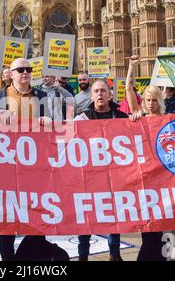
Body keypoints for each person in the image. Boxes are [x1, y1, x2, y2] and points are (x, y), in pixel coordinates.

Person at [0, 58, 51, 261]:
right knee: (6, 220)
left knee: (37, 216)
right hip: (6, 167)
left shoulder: (42, 96)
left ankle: (33, 258)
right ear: (11, 74)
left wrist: (49, 121)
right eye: (20, 69)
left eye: (29, 69)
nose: (25, 72)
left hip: (34, 167)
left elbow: (54, 128)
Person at [74, 78, 128, 261]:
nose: (100, 94)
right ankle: (83, 256)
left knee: (114, 217)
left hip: (114, 178)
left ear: (110, 94)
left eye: (103, 91)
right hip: (89, 179)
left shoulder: (122, 118)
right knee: (86, 219)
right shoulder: (81, 119)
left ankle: (114, 254)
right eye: (96, 91)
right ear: (91, 95)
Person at [126, 55, 167, 261]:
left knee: (160, 226)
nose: (150, 103)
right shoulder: (138, 116)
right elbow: (128, 89)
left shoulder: (167, 120)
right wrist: (132, 66)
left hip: (162, 178)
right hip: (145, 178)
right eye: (147, 100)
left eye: (153, 100)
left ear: (159, 101)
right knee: (148, 226)